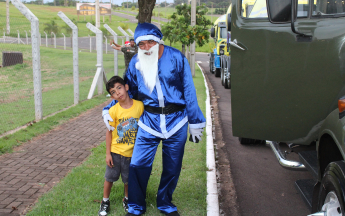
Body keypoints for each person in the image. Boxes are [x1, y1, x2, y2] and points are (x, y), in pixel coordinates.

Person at [102, 22, 205, 216]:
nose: (147, 47)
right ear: (137, 45)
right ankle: (135, 206)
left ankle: (165, 202)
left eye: (150, 42)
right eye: (142, 44)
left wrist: (195, 121)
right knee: (138, 164)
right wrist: (108, 109)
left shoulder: (176, 57)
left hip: (177, 121)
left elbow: (189, 89)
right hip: (149, 121)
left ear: (158, 40)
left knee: (172, 166)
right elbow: (126, 91)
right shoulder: (135, 63)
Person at [98, 76, 144, 216]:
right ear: (111, 96)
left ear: (126, 87)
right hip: (116, 152)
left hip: (132, 153)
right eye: (113, 91)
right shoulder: (113, 110)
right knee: (109, 178)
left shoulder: (139, 106)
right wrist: (108, 154)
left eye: (119, 87)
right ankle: (105, 201)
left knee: (128, 180)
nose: (117, 92)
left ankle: (127, 199)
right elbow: (109, 133)